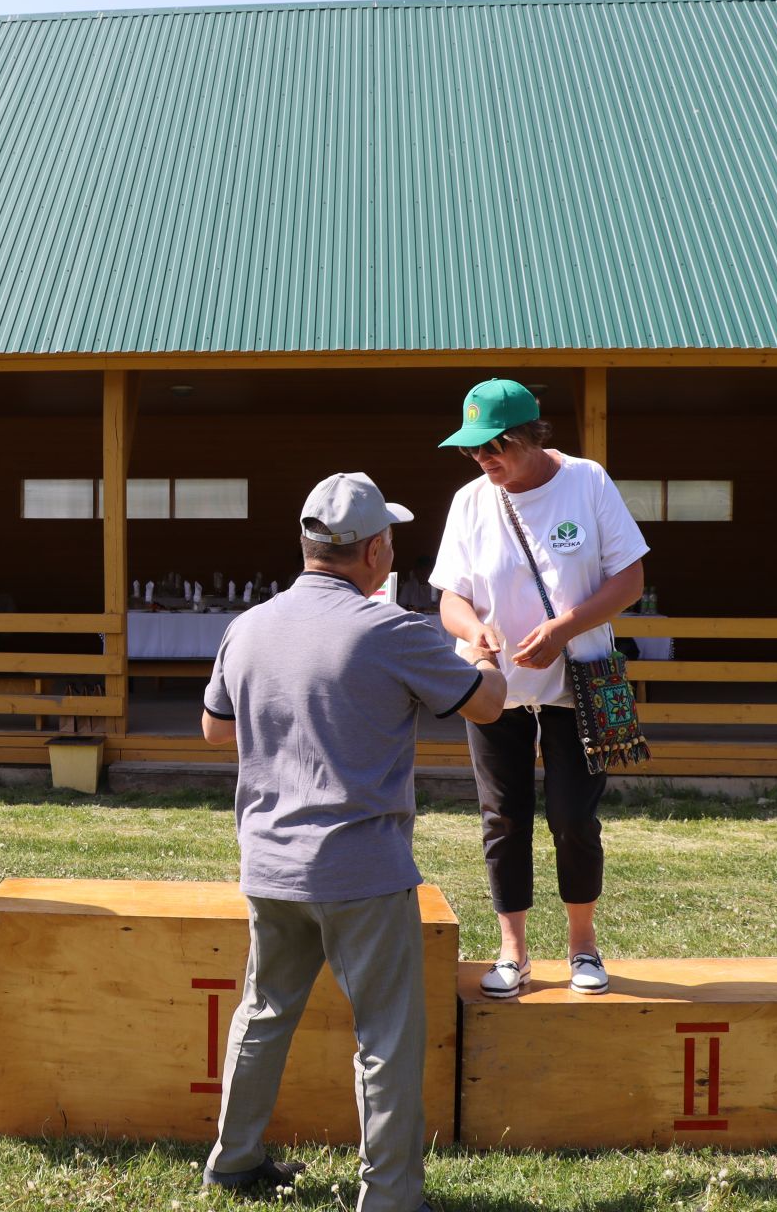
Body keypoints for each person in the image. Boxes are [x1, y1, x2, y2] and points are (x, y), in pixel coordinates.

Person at [200, 473, 506, 1212]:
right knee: (387, 1038)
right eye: (391, 542)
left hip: (269, 864)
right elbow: (489, 707)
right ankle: (392, 1195)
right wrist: (483, 654)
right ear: (373, 552)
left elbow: (215, 729)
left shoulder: (250, 625)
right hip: (362, 869)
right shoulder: (391, 630)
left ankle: (233, 1161)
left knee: (263, 1013)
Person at [430, 378, 648, 1000]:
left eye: (494, 446)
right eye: (473, 450)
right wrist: (473, 633)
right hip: (495, 687)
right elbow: (451, 597)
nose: (483, 459)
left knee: (573, 817)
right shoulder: (471, 500)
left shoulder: (587, 481)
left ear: (530, 435)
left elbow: (630, 579)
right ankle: (513, 953)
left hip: (576, 680)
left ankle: (583, 947)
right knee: (503, 819)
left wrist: (563, 629)